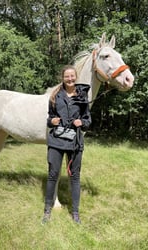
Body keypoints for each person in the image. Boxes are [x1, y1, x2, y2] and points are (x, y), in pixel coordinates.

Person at [42, 65, 92, 224]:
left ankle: (75, 213)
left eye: (72, 76)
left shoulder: (82, 96)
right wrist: (52, 121)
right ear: (62, 78)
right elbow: (49, 119)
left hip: (75, 142)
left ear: (76, 77)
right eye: (67, 76)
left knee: (75, 177)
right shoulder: (55, 95)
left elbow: (87, 120)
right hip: (57, 141)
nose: (70, 79)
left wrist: (81, 122)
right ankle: (47, 210)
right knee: (52, 175)